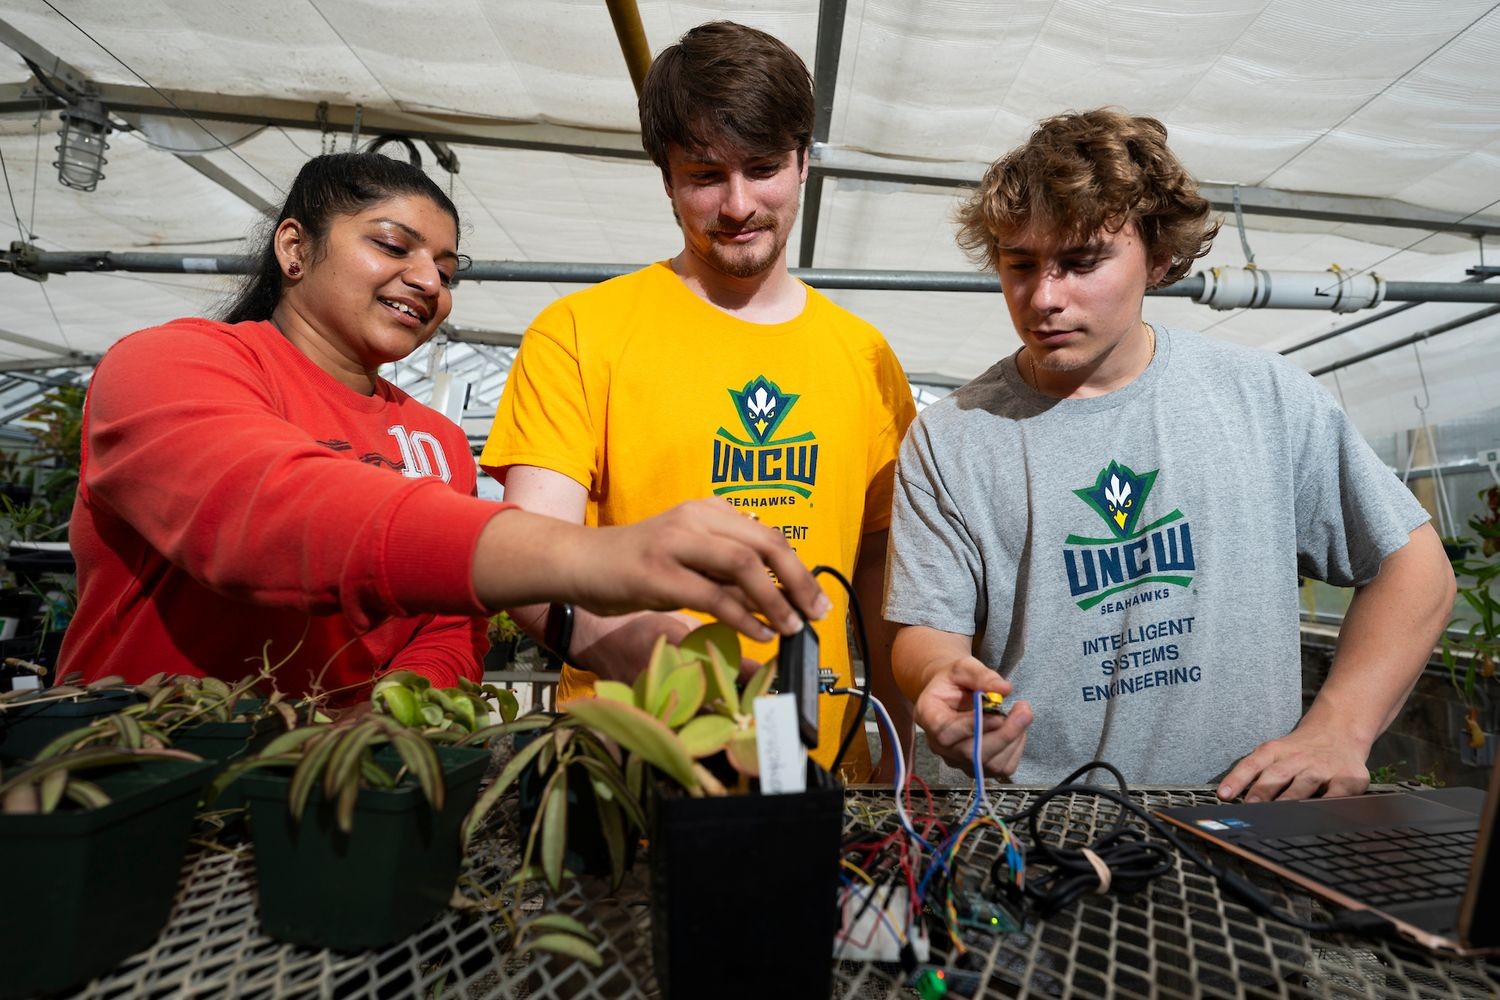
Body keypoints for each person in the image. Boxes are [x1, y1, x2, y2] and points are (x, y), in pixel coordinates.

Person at [59, 151, 830, 699]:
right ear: (294, 248)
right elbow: (262, 513)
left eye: (449, 270)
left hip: (342, 800)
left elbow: (446, 628)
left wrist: (394, 718)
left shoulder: (432, 440)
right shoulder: (169, 366)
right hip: (144, 786)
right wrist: (587, 556)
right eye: (393, 246)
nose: (428, 281)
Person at [884, 109, 1456, 801]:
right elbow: (926, 632)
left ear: (1157, 257)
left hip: (1245, 818)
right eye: (1021, 264)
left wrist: (1339, 726)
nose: (1044, 297)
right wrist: (941, 679)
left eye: (1081, 262)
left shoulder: (1262, 397)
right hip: (1037, 828)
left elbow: (1414, 566)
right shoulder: (954, 438)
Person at [480, 21, 917, 780]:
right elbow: (526, 557)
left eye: (763, 167)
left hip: (823, 777)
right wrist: (661, 665)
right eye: (704, 174)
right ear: (666, 178)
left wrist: (895, 756)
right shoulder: (582, 332)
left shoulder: (865, 356)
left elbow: (883, 569)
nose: (739, 203)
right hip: (631, 775)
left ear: (805, 162)